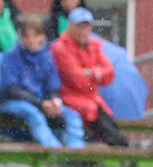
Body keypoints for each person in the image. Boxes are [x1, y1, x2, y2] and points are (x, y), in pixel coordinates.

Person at [0, 14, 83, 149]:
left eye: (35, 35)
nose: (31, 40)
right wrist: (41, 103)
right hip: (12, 102)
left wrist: (55, 101)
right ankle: (54, 150)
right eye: (27, 36)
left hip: (42, 103)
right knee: (35, 116)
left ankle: (76, 151)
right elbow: (11, 89)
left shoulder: (47, 57)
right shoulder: (12, 56)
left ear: (42, 36)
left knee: (72, 116)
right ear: (21, 37)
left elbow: (53, 85)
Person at [50, 8, 128, 148]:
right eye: (79, 26)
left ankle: (124, 152)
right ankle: (123, 153)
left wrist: (89, 72)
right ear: (71, 25)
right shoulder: (60, 48)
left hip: (92, 100)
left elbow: (110, 74)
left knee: (107, 122)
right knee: (102, 125)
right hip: (70, 99)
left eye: (86, 26)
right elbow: (76, 80)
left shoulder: (94, 46)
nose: (83, 30)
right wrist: (97, 74)